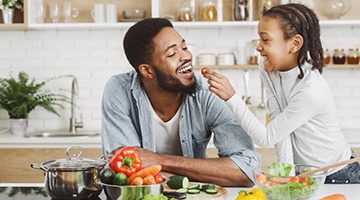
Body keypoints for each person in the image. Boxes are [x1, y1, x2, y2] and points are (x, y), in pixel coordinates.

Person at [202, 3, 360, 184]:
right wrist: (287, 175)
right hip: (307, 176)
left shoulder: (310, 90)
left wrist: (231, 97)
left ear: (294, 44)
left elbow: (266, 137)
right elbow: (279, 126)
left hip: (338, 174)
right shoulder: (269, 68)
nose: (258, 47)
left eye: (266, 40)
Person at [101, 18, 260, 187]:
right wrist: (204, 173)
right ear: (147, 70)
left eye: (184, 47)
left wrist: (158, 160)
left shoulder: (209, 93)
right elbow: (125, 175)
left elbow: (246, 171)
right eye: (172, 54)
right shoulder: (119, 90)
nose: (186, 56)